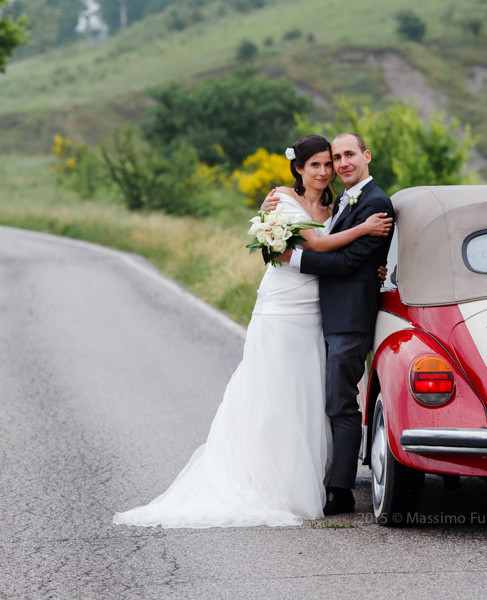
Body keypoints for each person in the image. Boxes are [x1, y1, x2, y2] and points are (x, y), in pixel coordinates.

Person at [113, 134, 392, 528]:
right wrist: (360, 232)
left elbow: (344, 256)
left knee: (308, 393)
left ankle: (315, 478)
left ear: (361, 157)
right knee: (273, 389)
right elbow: (318, 243)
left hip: (317, 308)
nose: (327, 170)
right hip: (283, 304)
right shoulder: (281, 198)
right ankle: (269, 480)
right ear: (298, 168)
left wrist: (377, 267)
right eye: (318, 164)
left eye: (330, 162)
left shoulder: (337, 202)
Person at [263, 132, 394, 515]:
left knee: (340, 403)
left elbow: (348, 262)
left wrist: (291, 258)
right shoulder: (340, 201)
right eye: (335, 158)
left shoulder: (377, 203)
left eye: (347, 154)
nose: (340, 164)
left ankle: (341, 490)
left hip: (349, 318)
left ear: (366, 155)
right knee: (323, 399)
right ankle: (323, 478)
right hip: (322, 312)